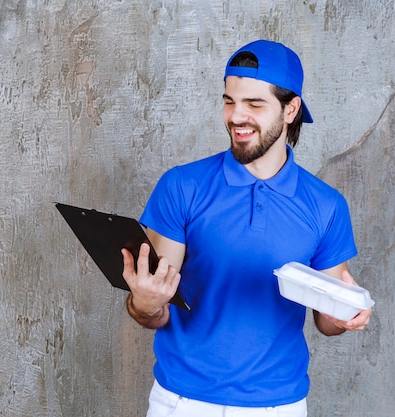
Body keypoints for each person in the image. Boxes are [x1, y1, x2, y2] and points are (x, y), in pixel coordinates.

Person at [121, 39, 372, 417]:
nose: (237, 117)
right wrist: (144, 301)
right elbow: (155, 311)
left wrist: (343, 315)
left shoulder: (326, 206)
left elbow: (326, 321)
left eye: (254, 105)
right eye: (229, 101)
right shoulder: (181, 187)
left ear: (291, 109)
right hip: (182, 402)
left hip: (278, 406)